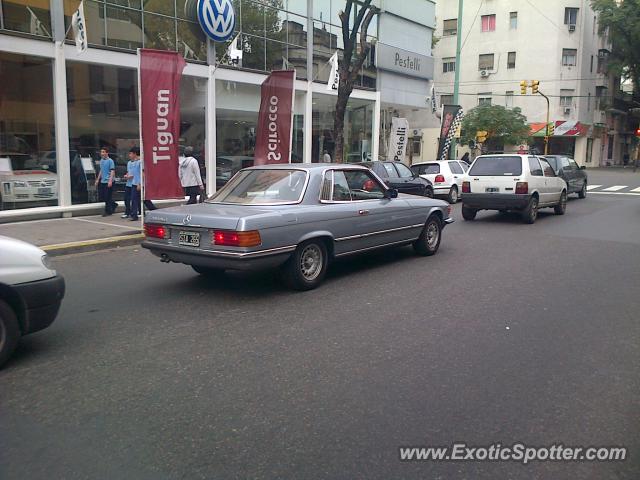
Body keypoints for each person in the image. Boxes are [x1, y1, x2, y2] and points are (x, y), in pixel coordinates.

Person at [94, 147, 116, 216]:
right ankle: (113, 204)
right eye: (101, 152)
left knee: (107, 197)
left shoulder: (110, 161)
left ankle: (108, 211)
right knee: (103, 196)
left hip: (109, 181)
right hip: (103, 181)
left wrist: (110, 181)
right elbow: (101, 170)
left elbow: (112, 171)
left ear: (107, 153)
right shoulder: (101, 161)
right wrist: (98, 179)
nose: (102, 153)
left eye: (103, 152)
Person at [128, 147, 142, 221]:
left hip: (139, 184)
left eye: (131, 153)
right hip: (134, 183)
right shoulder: (134, 162)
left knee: (144, 200)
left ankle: (154, 210)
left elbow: (142, 174)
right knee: (134, 199)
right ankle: (134, 215)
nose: (129, 155)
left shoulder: (140, 162)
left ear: (135, 154)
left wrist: (139, 184)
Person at [121, 149, 137, 218]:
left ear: (134, 154)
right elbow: (128, 171)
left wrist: (130, 176)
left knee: (134, 200)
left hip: (134, 183)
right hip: (128, 184)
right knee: (126, 199)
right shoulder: (129, 163)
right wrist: (126, 175)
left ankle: (135, 213)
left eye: (130, 154)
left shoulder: (138, 163)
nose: (129, 155)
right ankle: (127, 212)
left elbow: (137, 174)